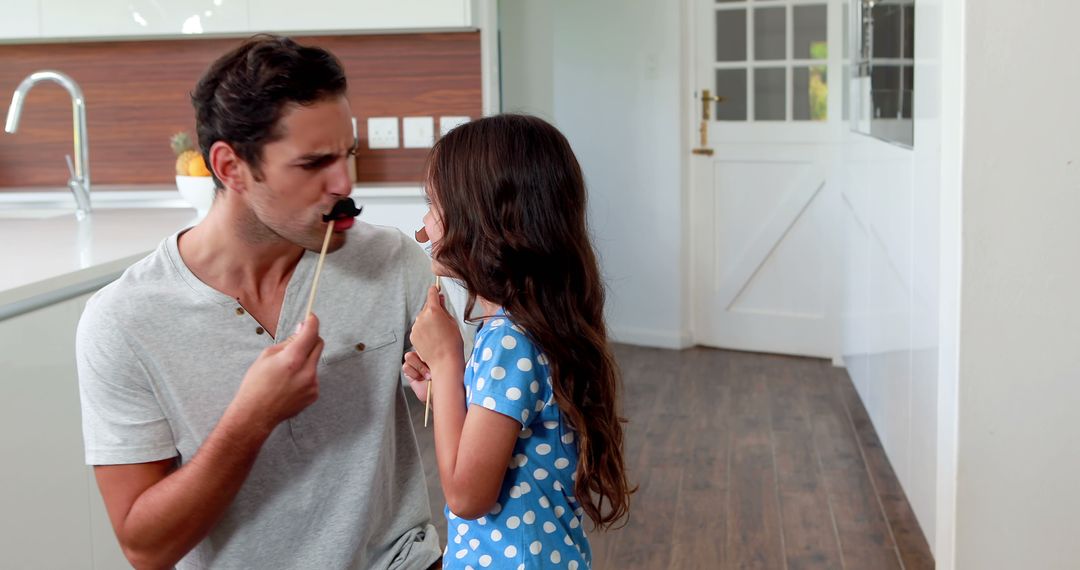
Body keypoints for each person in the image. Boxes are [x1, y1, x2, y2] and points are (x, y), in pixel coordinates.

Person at [76, 35, 442, 569]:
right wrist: (251, 419)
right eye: (314, 163)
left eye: (349, 154)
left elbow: (479, 419)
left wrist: (450, 377)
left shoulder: (392, 261)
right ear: (229, 167)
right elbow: (147, 548)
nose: (345, 183)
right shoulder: (123, 322)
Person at [404, 114, 635, 569]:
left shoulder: (510, 341)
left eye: (434, 206)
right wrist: (442, 392)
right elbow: (507, 438)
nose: (424, 225)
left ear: (483, 220)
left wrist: (449, 361)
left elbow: (467, 496)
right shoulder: (529, 327)